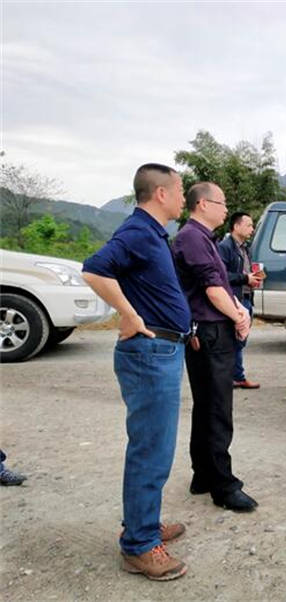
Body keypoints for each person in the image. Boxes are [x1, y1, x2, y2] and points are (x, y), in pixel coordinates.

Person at [82, 163, 190, 581]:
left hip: (162, 349)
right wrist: (129, 314)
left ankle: (143, 523)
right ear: (161, 193)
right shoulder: (139, 231)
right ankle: (139, 546)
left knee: (154, 447)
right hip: (150, 354)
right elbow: (94, 268)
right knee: (151, 450)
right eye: (180, 189)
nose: (183, 197)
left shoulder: (152, 233)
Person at [172, 182, 258, 513]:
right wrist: (238, 316)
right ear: (203, 204)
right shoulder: (193, 238)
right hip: (209, 333)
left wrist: (237, 310)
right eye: (222, 203)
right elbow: (211, 288)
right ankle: (224, 485)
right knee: (218, 409)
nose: (226, 209)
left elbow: (221, 284)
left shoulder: (203, 238)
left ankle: (203, 474)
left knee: (207, 406)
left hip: (211, 331)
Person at [218, 211, 264, 389]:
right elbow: (221, 275)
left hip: (246, 297)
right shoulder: (225, 247)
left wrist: (253, 279)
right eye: (249, 225)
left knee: (240, 339)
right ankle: (233, 377)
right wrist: (245, 278)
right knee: (233, 339)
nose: (252, 229)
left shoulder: (245, 247)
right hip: (234, 299)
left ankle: (237, 376)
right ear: (236, 226)